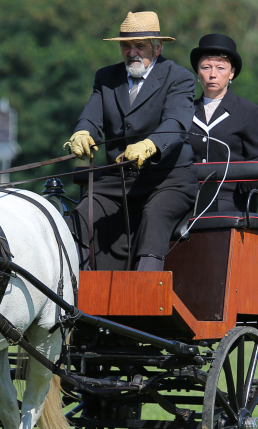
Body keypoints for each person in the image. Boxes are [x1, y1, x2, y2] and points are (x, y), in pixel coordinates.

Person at [64, 11, 196, 272]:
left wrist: (150, 145)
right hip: (117, 180)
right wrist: (82, 133)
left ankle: (143, 297)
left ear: (157, 48)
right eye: (126, 46)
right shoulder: (106, 78)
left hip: (167, 180)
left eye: (140, 46)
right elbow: (91, 118)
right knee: (80, 218)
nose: (132, 52)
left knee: (154, 217)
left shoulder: (179, 77)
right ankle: (78, 295)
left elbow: (177, 124)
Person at [188, 33, 258, 212]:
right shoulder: (185, 111)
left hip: (231, 198)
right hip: (188, 196)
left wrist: (250, 175)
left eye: (220, 68)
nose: (213, 75)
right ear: (198, 72)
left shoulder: (248, 111)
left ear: (231, 73)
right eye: (206, 67)